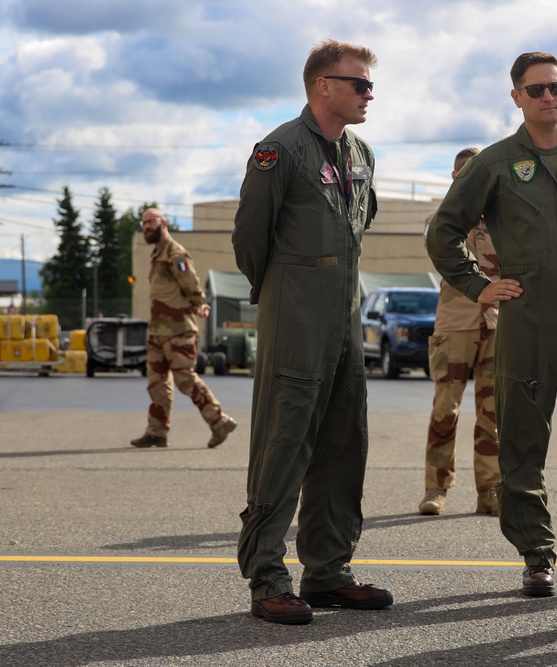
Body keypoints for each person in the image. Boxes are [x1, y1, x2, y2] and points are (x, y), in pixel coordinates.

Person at [426, 51, 557, 597]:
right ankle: (536, 555)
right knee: (521, 444)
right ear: (517, 97)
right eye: (538, 89)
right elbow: (443, 232)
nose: (551, 97)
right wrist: (479, 286)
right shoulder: (494, 163)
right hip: (525, 318)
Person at [231, 39, 392, 626]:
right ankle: (267, 575)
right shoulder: (280, 149)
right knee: (284, 437)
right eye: (360, 84)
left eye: (371, 85)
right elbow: (251, 238)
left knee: (344, 441)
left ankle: (327, 571)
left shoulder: (361, 153)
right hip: (295, 311)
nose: (369, 94)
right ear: (324, 85)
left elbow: (359, 226)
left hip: (345, 315)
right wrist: (282, 292)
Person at [419, 147, 502, 517]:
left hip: (498, 322)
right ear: (455, 178)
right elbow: (437, 247)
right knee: (445, 409)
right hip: (456, 323)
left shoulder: (503, 220)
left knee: (493, 412)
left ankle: (490, 490)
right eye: (463, 173)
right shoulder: (443, 218)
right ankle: (436, 488)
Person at [130, 208, 237, 450]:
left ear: (163, 223)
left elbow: (190, 283)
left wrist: (200, 304)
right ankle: (157, 432)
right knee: (156, 383)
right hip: (159, 331)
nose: (146, 226)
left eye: (151, 222)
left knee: (185, 379)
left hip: (178, 330)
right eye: (144, 222)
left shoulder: (175, 253)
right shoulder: (158, 254)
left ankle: (219, 421)